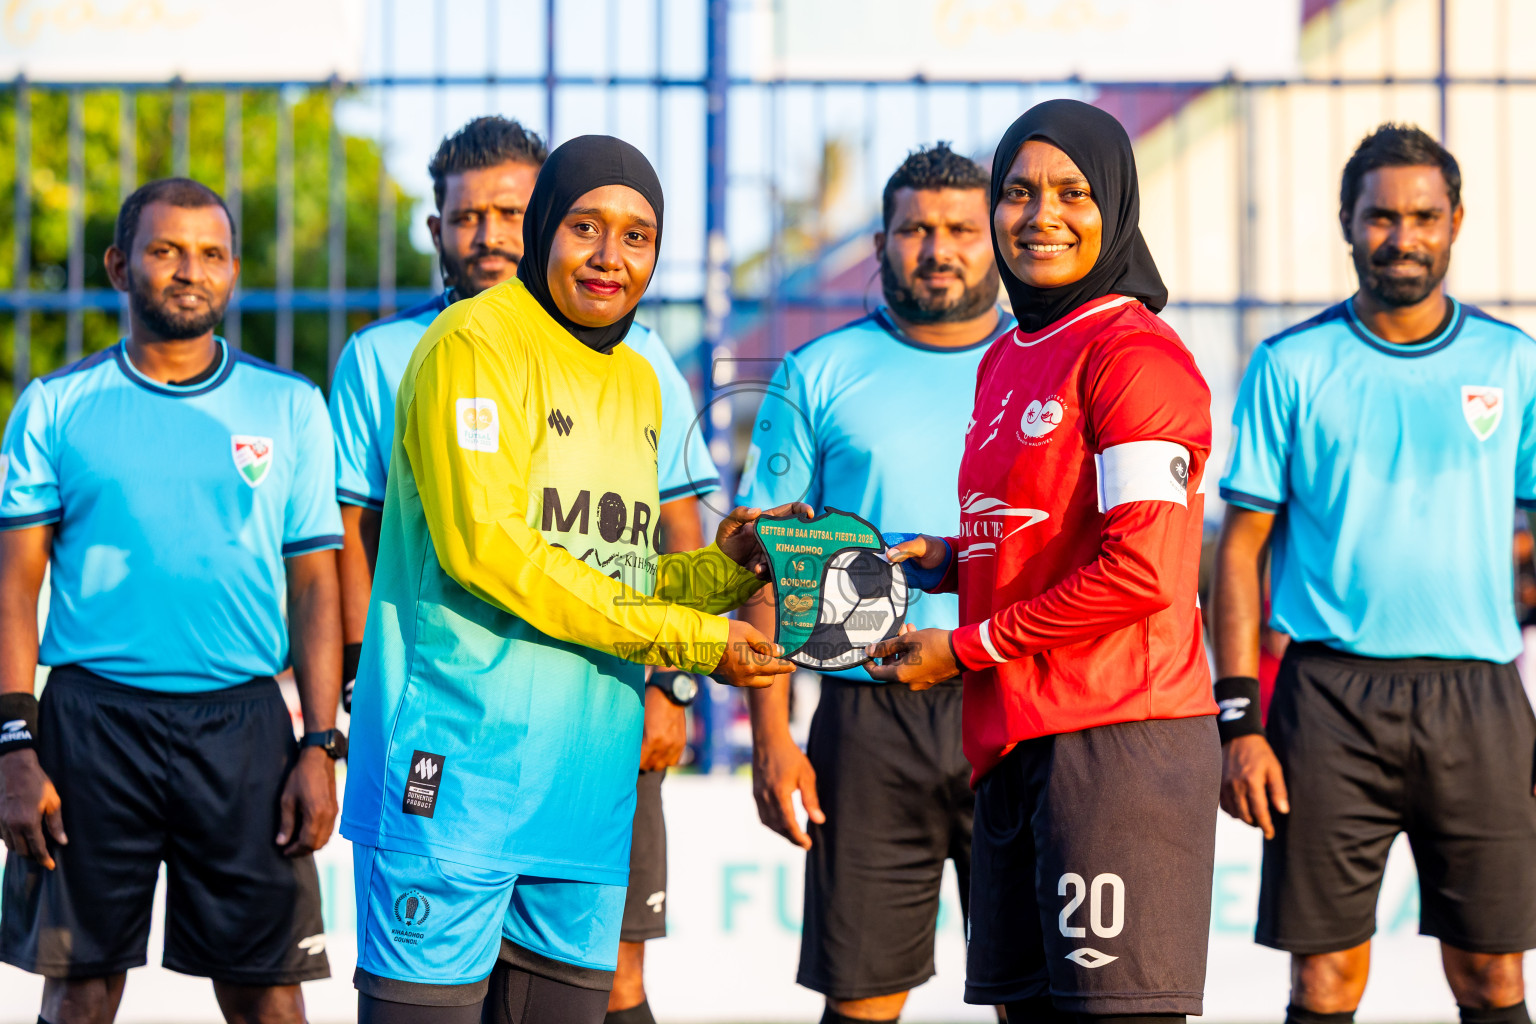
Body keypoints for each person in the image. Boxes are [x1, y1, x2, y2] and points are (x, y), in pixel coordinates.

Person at [339, 135, 799, 1024]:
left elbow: (612, 570)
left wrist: (723, 570)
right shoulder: (471, 343)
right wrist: (699, 644)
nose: (609, 257)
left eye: (637, 236)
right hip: (458, 780)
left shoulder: (636, 378)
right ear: (546, 225)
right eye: (586, 226)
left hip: (584, 790)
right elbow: (491, 551)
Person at [869, 99, 1219, 1022]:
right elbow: (1041, 528)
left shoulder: (1133, 354)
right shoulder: (1009, 355)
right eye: (1018, 192)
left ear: (1115, 205)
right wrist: (953, 562)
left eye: (1071, 192)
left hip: (1117, 744)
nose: (1040, 214)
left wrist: (968, 645)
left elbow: (1144, 571)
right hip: (1014, 742)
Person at [0, 178, 344, 1024]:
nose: (190, 270)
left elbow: (315, 584)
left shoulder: (291, 406)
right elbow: (14, 585)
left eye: (211, 253)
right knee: (78, 992)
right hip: (90, 727)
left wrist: (320, 743)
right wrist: (12, 742)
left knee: (268, 995)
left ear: (232, 272)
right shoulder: (55, 406)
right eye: (164, 250)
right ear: (121, 266)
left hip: (244, 729)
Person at [1214, 124, 1536, 1024]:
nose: (1403, 237)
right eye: (1382, 217)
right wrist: (1239, 718)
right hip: (1329, 702)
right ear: (1347, 225)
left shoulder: (1513, 363)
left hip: (1479, 699)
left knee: (1494, 982)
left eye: (1424, 217)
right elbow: (1238, 549)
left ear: (1457, 222)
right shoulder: (1292, 365)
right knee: (1323, 984)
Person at [737, 142, 1010, 1024]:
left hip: (1011, 702)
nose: (939, 248)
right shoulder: (816, 373)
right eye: (914, 229)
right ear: (884, 242)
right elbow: (769, 566)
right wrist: (773, 739)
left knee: (1039, 992)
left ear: (996, 239)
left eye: (961, 229)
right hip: (867, 717)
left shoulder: (1048, 365)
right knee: (861, 1003)